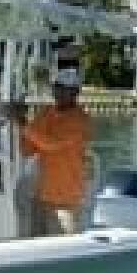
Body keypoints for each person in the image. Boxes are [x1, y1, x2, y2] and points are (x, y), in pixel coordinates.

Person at [10, 67, 92, 235]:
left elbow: (51, 144)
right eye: (56, 87)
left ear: (75, 92)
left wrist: (23, 123)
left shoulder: (80, 120)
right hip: (42, 196)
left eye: (63, 88)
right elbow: (28, 149)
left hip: (67, 201)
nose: (58, 92)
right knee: (36, 246)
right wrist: (18, 126)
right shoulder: (47, 113)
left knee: (65, 250)